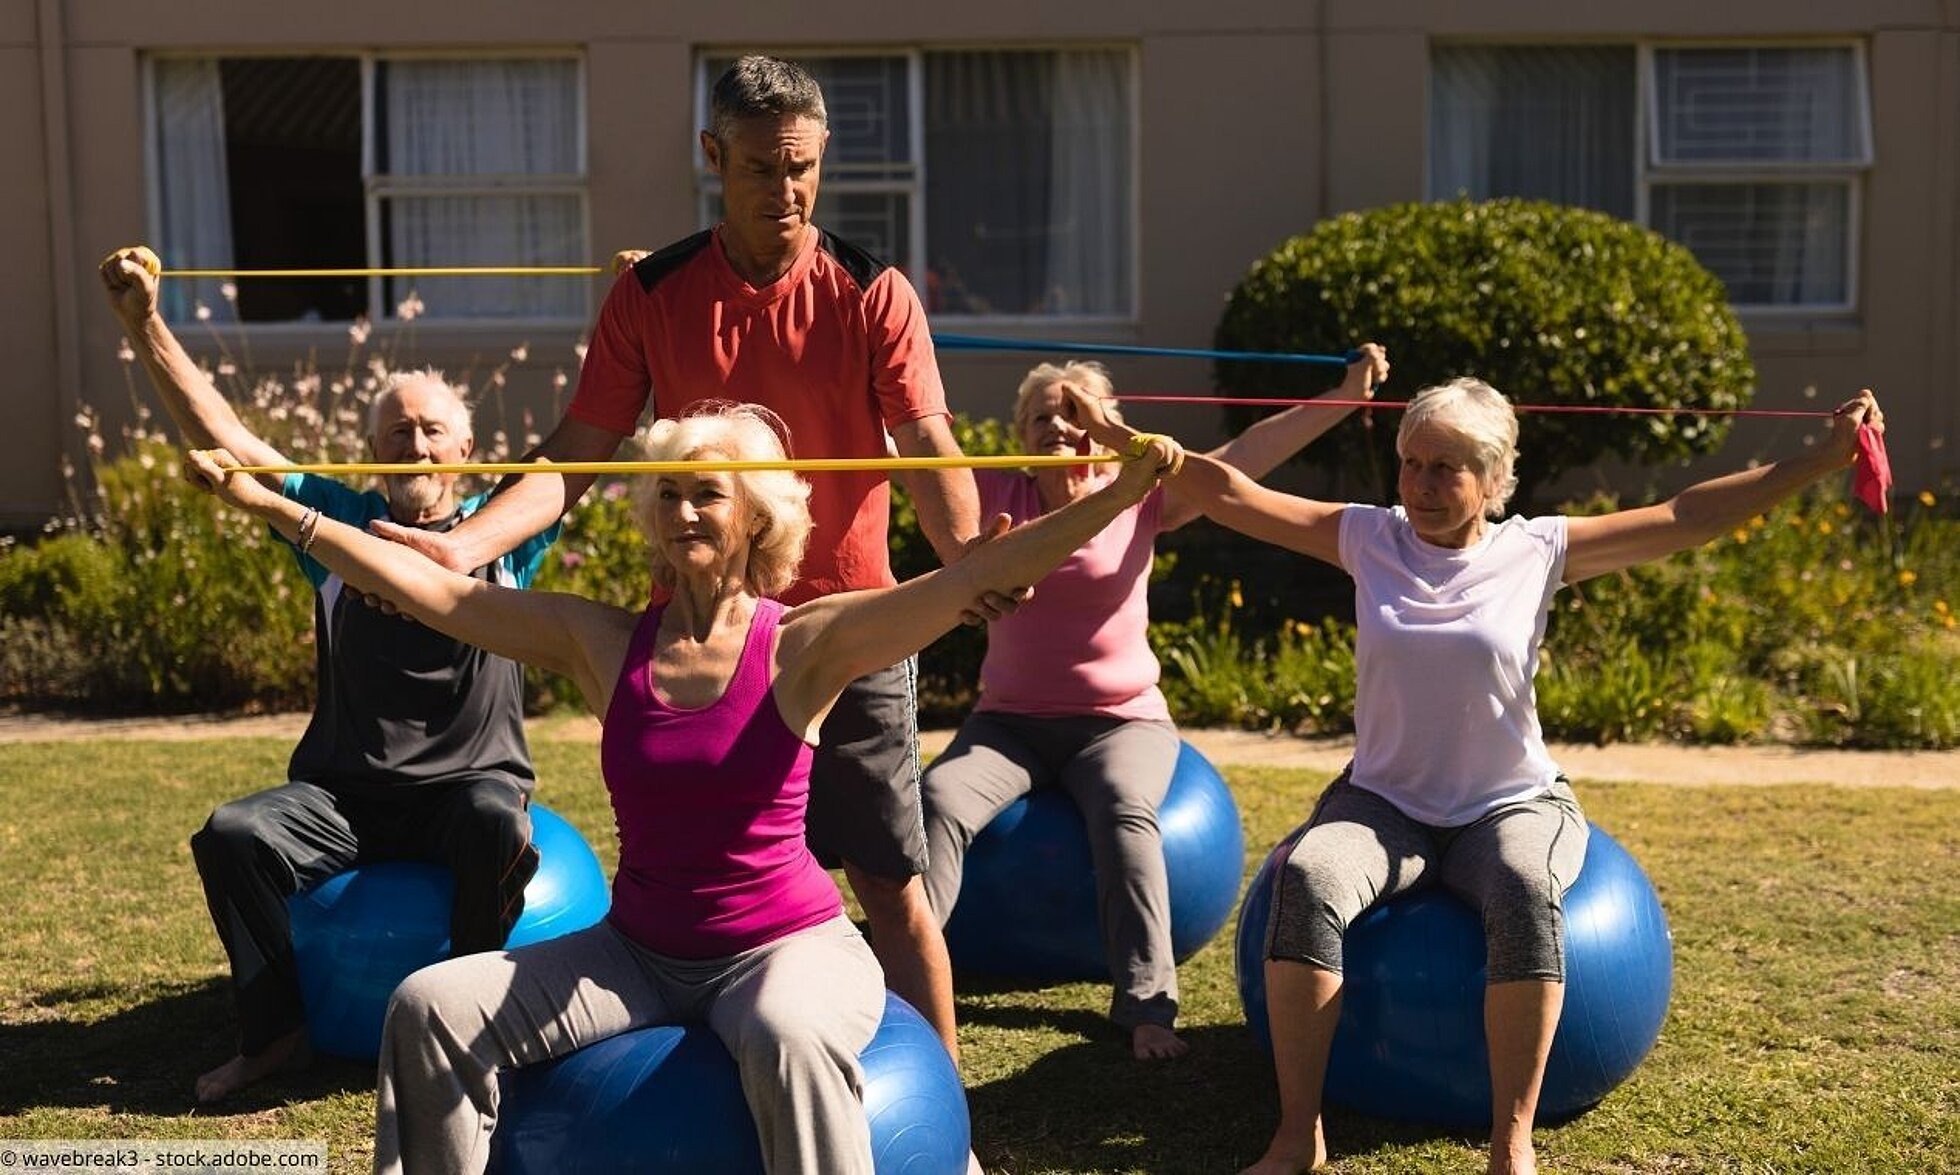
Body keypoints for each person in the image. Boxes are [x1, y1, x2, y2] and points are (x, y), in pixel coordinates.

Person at [181, 403, 1182, 1174]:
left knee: (791, 1036)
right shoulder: (602, 639)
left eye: (707, 493)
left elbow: (973, 578)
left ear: (756, 516)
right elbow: (435, 590)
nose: (684, 509)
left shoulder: (807, 642)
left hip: (784, 946)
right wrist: (281, 509)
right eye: (668, 493)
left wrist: (1119, 490)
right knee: (428, 1003)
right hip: (639, 949)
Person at [1062, 376, 1885, 1174]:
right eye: (1410, 463)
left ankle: (1511, 1141)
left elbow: (1688, 513)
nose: (1420, 484)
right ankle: (1296, 1134)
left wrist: (1820, 458)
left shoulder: (1537, 549)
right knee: (1307, 876)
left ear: (1492, 480)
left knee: (1527, 886)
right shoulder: (1367, 536)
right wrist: (1124, 441)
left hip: (1509, 804)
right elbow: (1236, 493)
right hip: (1383, 802)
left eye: (1445, 467)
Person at [375, 54, 992, 1059]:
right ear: (712, 156)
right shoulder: (652, 293)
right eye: (758, 166)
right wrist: (459, 546)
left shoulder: (873, 291)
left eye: (800, 167)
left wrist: (974, 561)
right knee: (683, 891)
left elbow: (928, 445)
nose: (783, 189)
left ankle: (947, 1120)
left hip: (843, 633)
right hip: (700, 640)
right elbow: (570, 463)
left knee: (888, 883)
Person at [96, 246, 561, 1104]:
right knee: (234, 833)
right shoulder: (340, 522)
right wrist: (145, 323)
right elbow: (228, 438)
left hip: (468, 790)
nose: (414, 444)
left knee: (498, 826)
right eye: (396, 432)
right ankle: (275, 1036)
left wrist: (639, 315)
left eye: (431, 430)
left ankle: (470, 1033)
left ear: (466, 446)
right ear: (371, 451)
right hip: (346, 797)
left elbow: (587, 441)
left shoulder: (507, 530)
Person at [920, 347, 1387, 1061]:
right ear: (1020, 432)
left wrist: (1347, 395)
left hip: (1119, 721)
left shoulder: (1139, 494)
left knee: (1125, 814)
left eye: (1074, 412)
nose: (1058, 426)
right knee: (937, 802)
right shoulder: (991, 493)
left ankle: (1147, 1005)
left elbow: (1246, 458)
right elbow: (910, 446)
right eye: (1042, 415)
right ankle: (908, 988)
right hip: (1007, 723)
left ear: (1105, 422)